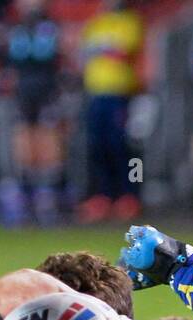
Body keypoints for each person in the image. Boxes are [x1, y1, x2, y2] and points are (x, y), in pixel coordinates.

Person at [77, 0, 144, 223]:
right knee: (98, 146)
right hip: (96, 93)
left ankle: (129, 196)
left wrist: (103, 50)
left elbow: (124, 52)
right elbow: (83, 53)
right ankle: (103, 195)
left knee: (122, 146)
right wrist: (106, 49)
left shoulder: (130, 22)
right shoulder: (97, 22)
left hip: (120, 94)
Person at [3, 0, 66, 224]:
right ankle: (26, 191)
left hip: (46, 90)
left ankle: (47, 193)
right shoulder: (18, 29)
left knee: (47, 138)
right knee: (24, 139)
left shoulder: (49, 28)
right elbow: (12, 59)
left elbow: (46, 54)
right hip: (24, 92)